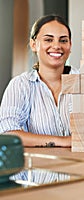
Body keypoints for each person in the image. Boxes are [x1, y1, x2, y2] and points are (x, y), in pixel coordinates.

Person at [0, 14, 76, 147]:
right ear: (34, 44)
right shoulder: (20, 85)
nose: (57, 46)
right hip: (37, 167)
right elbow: (9, 133)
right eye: (48, 40)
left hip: (81, 167)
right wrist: (64, 141)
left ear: (70, 46)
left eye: (63, 40)